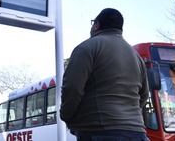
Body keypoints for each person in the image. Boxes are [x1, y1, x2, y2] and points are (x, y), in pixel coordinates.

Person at [60, 8, 149, 141]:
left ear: (97, 25)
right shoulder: (136, 56)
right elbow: (144, 95)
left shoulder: (87, 48)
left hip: (99, 131)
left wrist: (66, 116)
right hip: (137, 132)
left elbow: (72, 88)